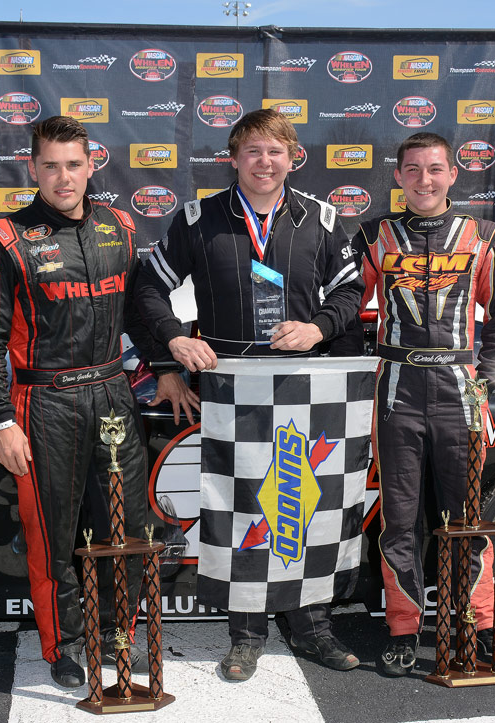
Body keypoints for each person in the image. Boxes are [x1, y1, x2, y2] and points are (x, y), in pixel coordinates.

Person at [134, 109, 365, 681]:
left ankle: (312, 626)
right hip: (231, 390)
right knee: (242, 508)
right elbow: (147, 289)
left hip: (306, 387)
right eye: (253, 151)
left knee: (305, 503)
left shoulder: (322, 219)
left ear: (293, 158)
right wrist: (171, 347)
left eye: (275, 151)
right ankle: (246, 634)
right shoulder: (199, 219)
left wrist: (317, 328)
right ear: (233, 159)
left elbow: (350, 293)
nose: (265, 162)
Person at [0, 116, 164, 689]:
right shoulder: (4, 238)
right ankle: (64, 645)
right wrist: (0, 419)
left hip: (112, 396)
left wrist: (167, 367)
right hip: (43, 402)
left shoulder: (120, 226)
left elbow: (138, 311)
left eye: (73, 164)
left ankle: (120, 636)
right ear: (33, 168)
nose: (63, 177)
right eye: (50, 165)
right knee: (53, 538)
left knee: (126, 529)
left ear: (91, 165)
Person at [352, 132, 495, 676]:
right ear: (398, 176)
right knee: (399, 520)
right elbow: (347, 304)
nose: (423, 180)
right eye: (413, 170)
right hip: (397, 391)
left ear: (453, 174)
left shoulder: (484, 235)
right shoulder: (374, 236)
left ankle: (481, 624)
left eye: (434, 169)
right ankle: (403, 630)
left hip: (460, 391)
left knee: (469, 517)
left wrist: (486, 380)